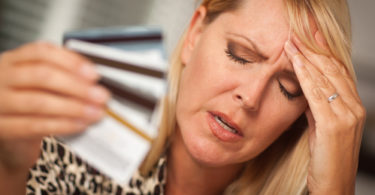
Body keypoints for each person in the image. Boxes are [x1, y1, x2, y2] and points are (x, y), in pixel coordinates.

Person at [0, 0, 366, 194]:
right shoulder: (84, 129)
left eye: (288, 88)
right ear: (194, 34)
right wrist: (9, 170)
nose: (251, 98)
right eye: (240, 54)